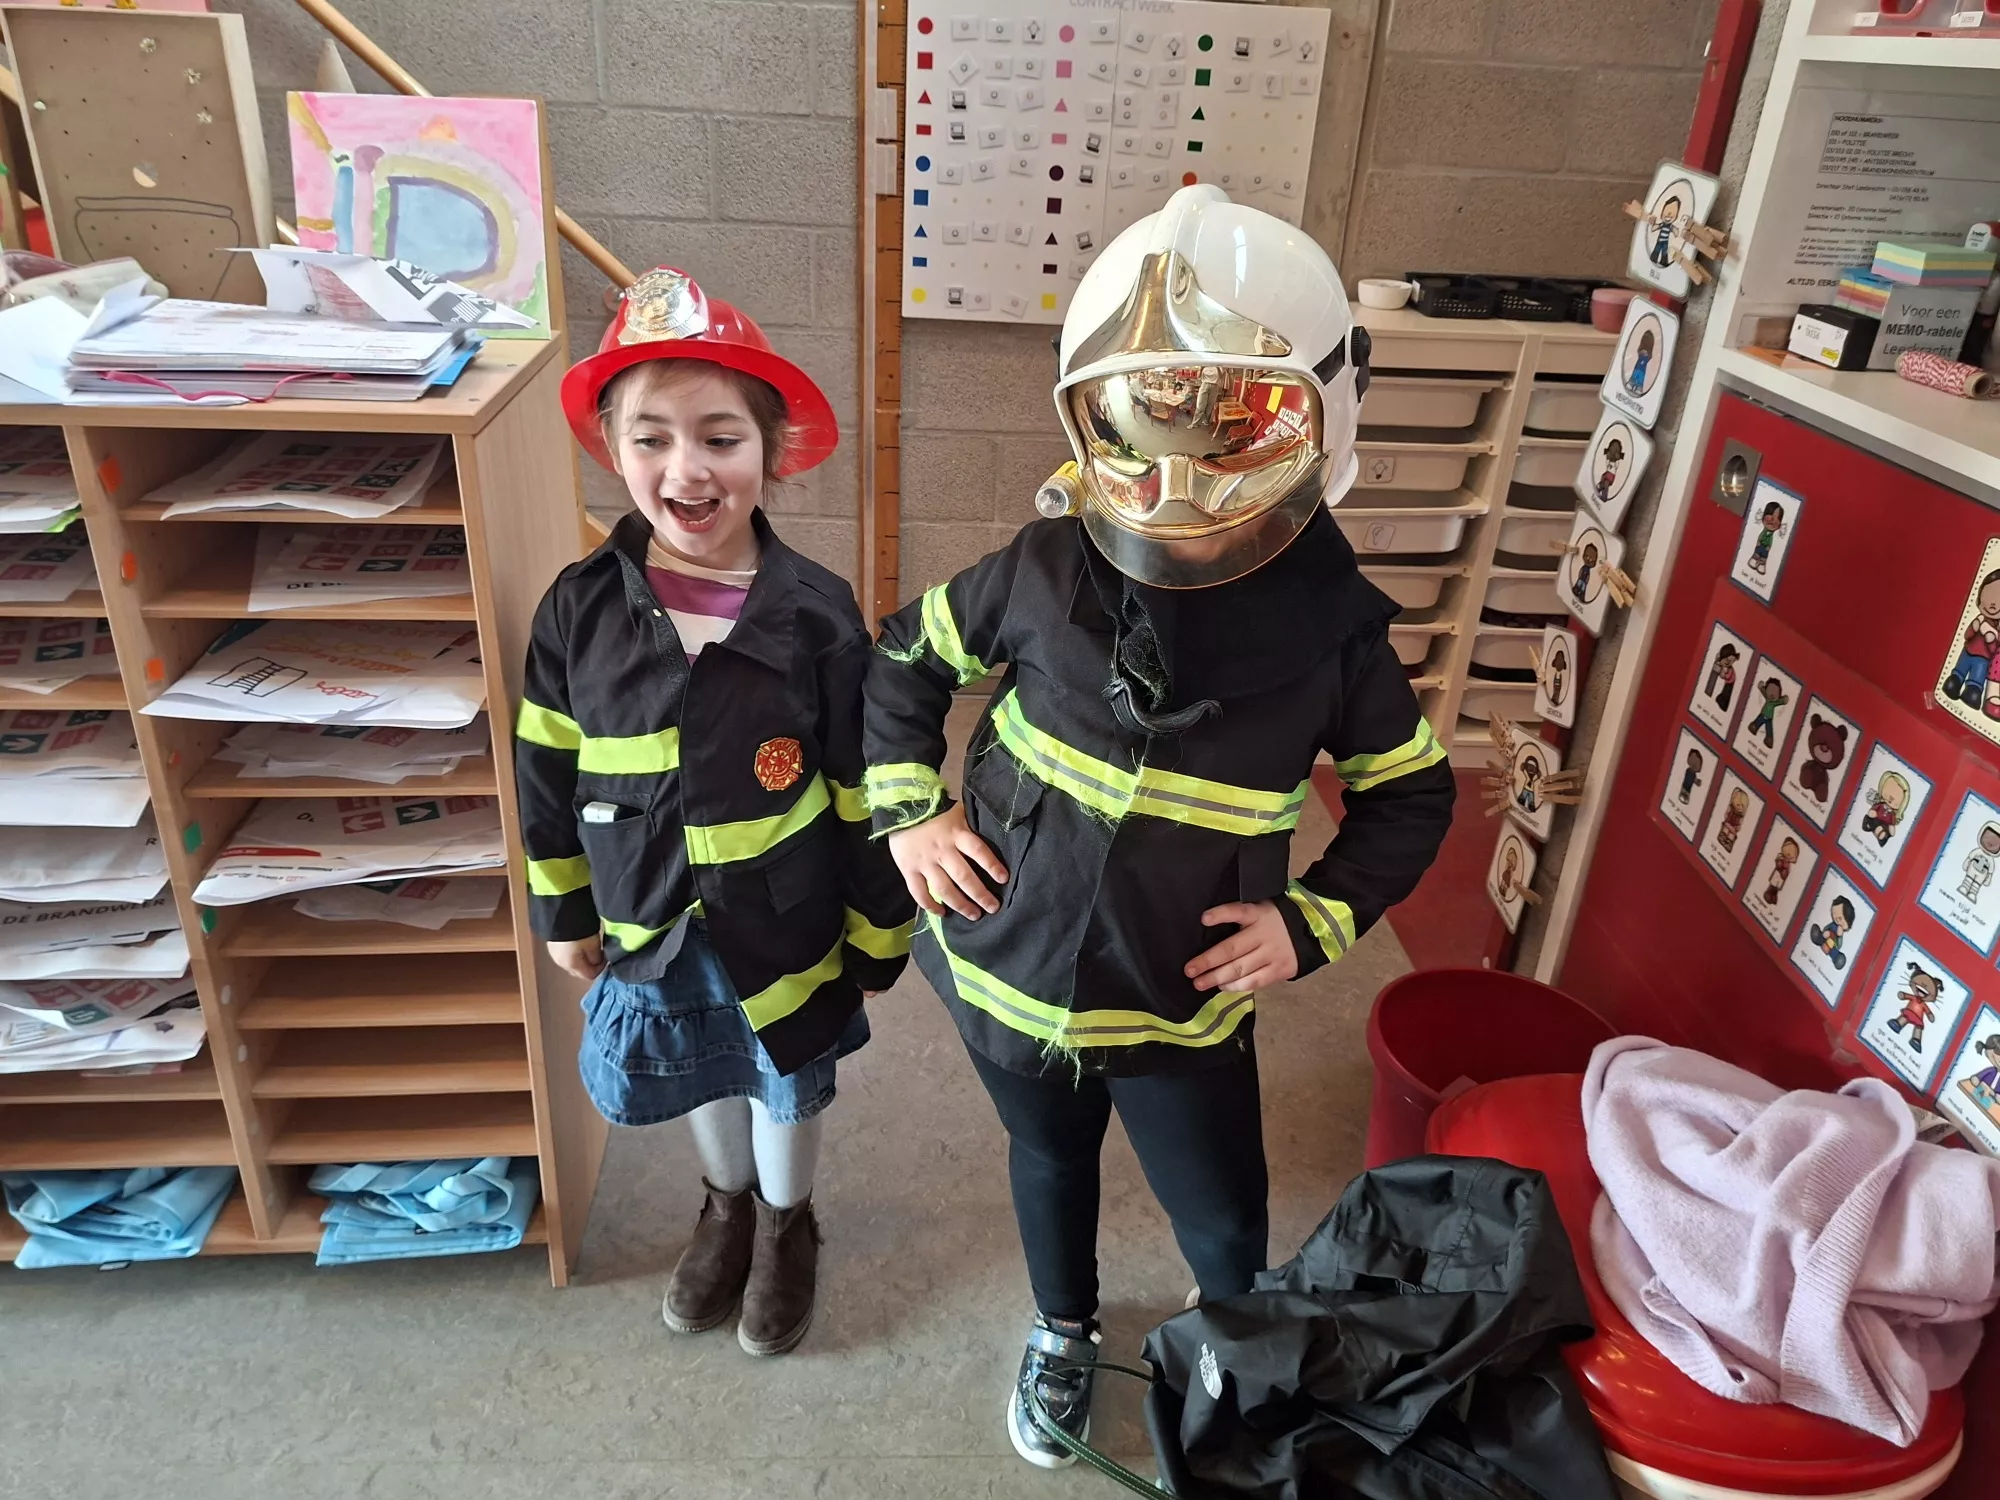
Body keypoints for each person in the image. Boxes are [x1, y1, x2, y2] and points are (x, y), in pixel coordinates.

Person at [862, 187, 1454, 1469]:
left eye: (1230, 418)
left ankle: (1229, 1335)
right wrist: (909, 812)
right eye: (1151, 411)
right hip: (1006, 968)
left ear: (1314, 412)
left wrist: (1313, 921)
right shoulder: (1040, 567)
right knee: (1046, 1161)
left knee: (1224, 1217)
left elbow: (1411, 792)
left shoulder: (1334, 639)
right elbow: (903, 658)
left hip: (1180, 1002)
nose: (1182, 473)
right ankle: (1062, 1326)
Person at [514, 267, 913, 1357]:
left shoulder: (818, 613)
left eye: (719, 438)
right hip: (648, 915)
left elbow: (864, 787)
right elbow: (546, 768)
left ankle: (787, 1223)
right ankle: (725, 1207)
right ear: (611, 450)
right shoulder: (577, 610)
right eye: (650, 439)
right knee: (698, 1063)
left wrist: (881, 930)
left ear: (771, 453)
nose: (685, 469)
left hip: (786, 920)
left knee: (785, 1076)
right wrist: (562, 911)